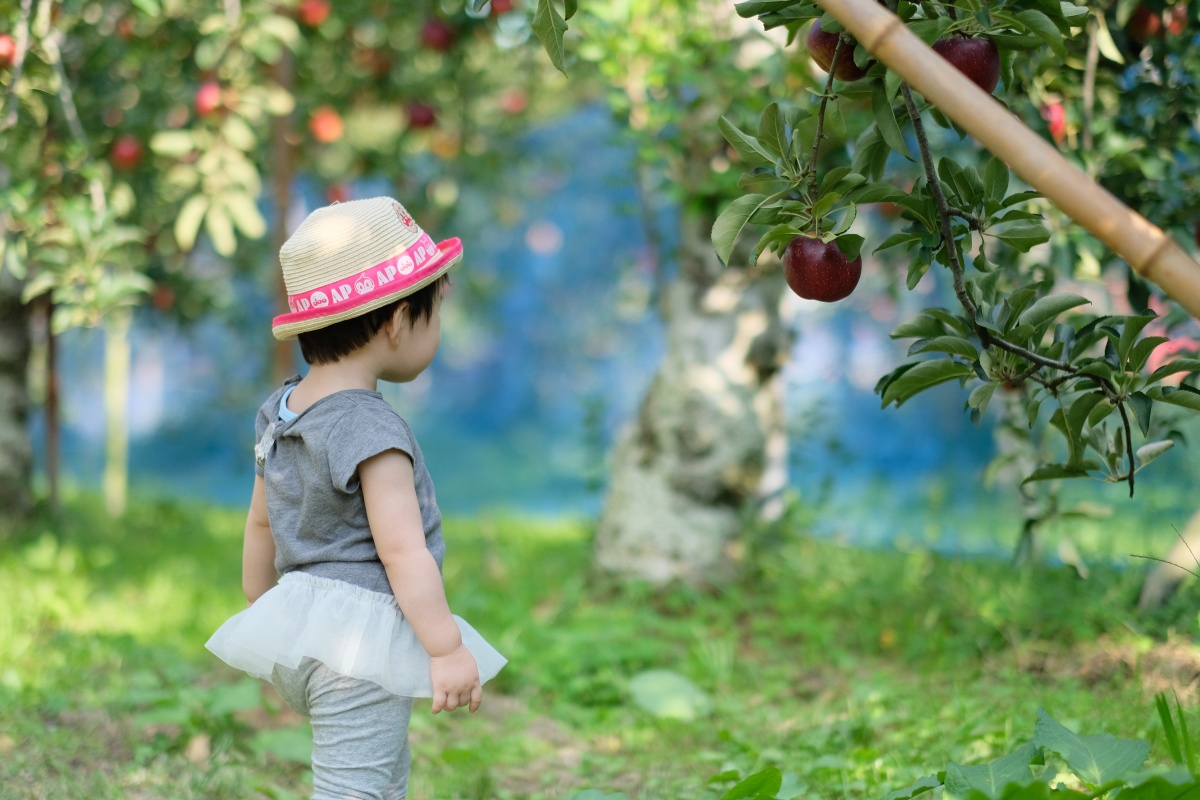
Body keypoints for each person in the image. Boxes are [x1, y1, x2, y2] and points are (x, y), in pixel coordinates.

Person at [206, 196, 506, 800]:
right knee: (356, 790)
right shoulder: (372, 428)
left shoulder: (280, 411)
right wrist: (445, 648)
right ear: (397, 321)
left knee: (380, 778)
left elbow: (260, 526)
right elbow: (403, 552)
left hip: (301, 631)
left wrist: (271, 613)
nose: (437, 330)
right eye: (436, 313)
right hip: (357, 648)